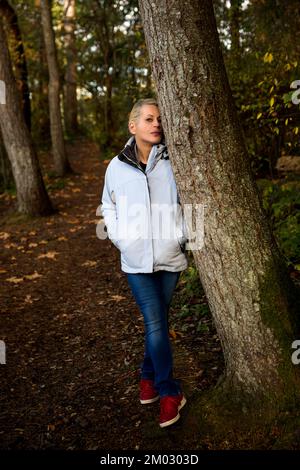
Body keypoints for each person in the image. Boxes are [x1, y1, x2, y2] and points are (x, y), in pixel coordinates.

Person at [100, 98, 189, 428]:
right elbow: (107, 207)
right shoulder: (116, 167)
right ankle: (169, 391)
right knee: (155, 323)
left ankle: (147, 377)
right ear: (133, 125)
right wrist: (122, 238)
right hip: (136, 261)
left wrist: (181, 235)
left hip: (170, 257)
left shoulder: (172, 161)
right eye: (149, 119)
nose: (157, 124)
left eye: (160, 120)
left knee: (158, 324)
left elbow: (189, 200)